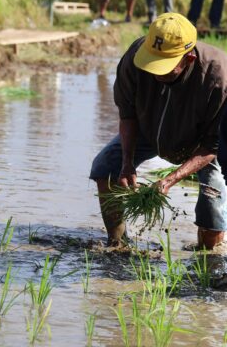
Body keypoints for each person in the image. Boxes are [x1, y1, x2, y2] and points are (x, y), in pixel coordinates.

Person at [90, 13, 227, 250]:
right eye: (152, 61)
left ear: (189, 58)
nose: (155, 72)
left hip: (201, 142)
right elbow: (128, 114)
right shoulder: (135, 58)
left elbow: (213, 145)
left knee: (212, 200)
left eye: (165, 66)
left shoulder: (218, 78)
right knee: (105, 167)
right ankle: (118, 244)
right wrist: (127, 162)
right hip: (149, 128)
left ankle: (208, 260)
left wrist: (171, 179)